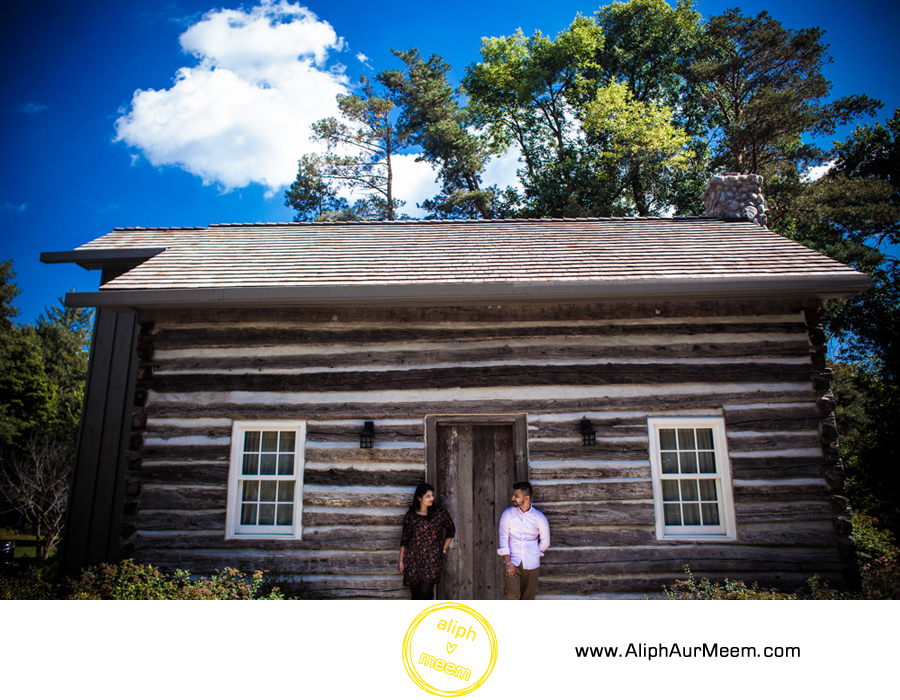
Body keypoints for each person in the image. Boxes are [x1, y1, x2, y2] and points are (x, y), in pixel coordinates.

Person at [398, 483, 455, 600]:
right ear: (419, 498)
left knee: (426, 591)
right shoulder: (411, 516)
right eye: (427, 496)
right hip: (413, 559)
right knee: (416, 594)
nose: (431, 498)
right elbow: (404, 539)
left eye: (432, 495)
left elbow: (451, 530)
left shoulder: (439, 512)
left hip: (432, 559)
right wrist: (401, 562)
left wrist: (443, 549)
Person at [497, 481, 550, 600]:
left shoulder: (539, 517)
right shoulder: (508, 514)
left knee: (528, 599)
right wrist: (508, 562)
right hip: (513, 562)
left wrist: (535, 553)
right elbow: (503, 538)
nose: (513, 498)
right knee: (512, 594)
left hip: (532, 564)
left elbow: (546, 541)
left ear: (526, 498)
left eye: (516, 496)